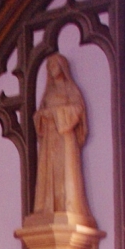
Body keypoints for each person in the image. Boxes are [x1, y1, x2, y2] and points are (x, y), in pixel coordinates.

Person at [33, 53, 93, 218]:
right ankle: (48, 206)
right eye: (49, 67)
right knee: (48, 171)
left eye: (54, 65)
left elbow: (78, 110)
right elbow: (38, 115)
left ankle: (68, 205)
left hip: (64, 135)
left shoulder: (70, 89)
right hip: (50, 137)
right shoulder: (48, 92)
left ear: (62, 67)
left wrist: (58, 114)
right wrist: (43, 116)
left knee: (65, 172)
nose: (52, 70)